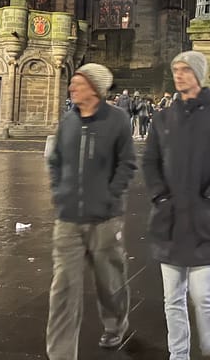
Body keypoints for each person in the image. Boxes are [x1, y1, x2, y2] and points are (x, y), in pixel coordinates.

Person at [142, 51, 210, 360]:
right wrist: (159, 194)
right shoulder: (163, 117)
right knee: (172, 297)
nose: (179, 74)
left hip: (203, 219)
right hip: (169, 219)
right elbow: (150, 160)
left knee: (203, 295)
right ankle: (179, 353)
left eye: (185, 70)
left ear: (198, 75)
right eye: (176, 69)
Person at [46, 63, 137, 359]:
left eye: (78, 84)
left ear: (95, 89)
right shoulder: (68, 121)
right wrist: (59, 192)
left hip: (104, 219)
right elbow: (55, 159)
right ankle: (61, 354)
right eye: (72, 83)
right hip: (68, 219)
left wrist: (111, 195)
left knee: (109, 283)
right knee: (63, 290)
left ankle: (115, 324)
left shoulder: (118, 121)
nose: (72, 88)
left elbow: (127, 163)